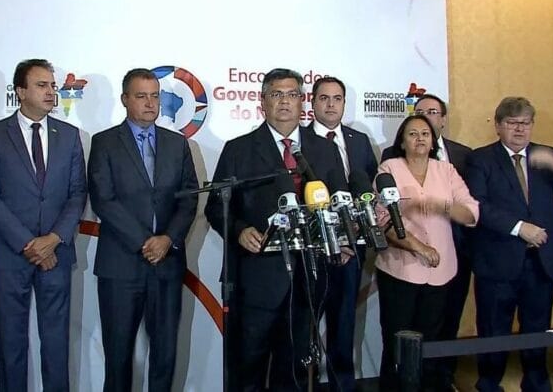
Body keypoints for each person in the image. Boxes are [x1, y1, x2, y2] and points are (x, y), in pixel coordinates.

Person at [205, 68, 348, 391]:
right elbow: (215, 207)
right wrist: (239, 230)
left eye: (292, 94)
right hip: (255, 276)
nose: (285, 101)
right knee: (248, 366)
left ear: (302, 102)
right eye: (276, 94)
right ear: (263, 101)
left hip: (308, 277)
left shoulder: (323, 149)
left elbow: (338, 201)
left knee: (295, 368)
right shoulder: (239, 149)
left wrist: (342, 236)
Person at [465, 96, 553, 392]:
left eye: (525, 123)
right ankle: (489, 384)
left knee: (537, 329)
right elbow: (478, 205)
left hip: (542, 262)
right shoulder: (481, 159)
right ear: (498, 126)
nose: (520, 129)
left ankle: (536, 384)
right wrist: (520, 228)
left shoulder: (549, 155)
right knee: (493, 331)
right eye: (512, 123)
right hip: (498, 261)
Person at [0, 59, 88, 392]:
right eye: (42, 85)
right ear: (21, 91)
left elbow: (77, 193)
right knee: (11, 343)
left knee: (56, 343)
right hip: (11, 255)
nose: (51, 92)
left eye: (53, 85)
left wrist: (53, 239)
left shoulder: (69, 135)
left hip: (56, 254)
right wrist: (29, 244)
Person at [88, 68, 199, 391]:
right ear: (125, 99)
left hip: (167, 265)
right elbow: (103, 200)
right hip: (120, 266)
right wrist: (144, 242)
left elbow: (189, 198)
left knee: (165, 355)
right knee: (118, 356)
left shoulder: (177, 144)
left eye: (155, 96)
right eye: (141, 96)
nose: (150, 103)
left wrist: (167, 239)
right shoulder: (105, 142)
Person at [374, 114, 478, 391]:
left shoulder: (447, 170)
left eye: (425, 134)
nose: (419, 138)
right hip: (400, 271)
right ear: (402, 142)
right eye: (412, 134)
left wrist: (441, 206)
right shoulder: (389, 168)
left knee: (431, 341)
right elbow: (382, 220)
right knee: (396, 343)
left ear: (433, 142)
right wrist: (418, 247)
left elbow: (471, 213)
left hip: (441, 271)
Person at [309, 76, 378, 392]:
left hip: (353, 248)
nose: (331, 105)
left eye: (337, 99)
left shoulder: (359, 141)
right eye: (324, 98)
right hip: (313, 249)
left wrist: (357, 229)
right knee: (307, 325)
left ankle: (342, 385)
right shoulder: (300, 140)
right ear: (312, 102)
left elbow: (369, 187)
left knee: (343, 323)